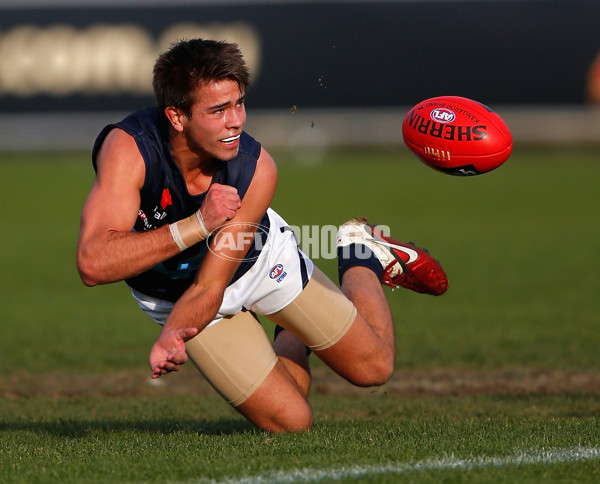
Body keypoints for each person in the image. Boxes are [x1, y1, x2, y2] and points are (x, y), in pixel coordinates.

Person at [76, 38, 448, 433]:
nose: (235, 121)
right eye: (217, 110)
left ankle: (362, 253)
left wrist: (173, 330)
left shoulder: (256, 167)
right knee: (292, 420)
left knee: (374, 369)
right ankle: (292, 329)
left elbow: (210, 283)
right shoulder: (129, 149)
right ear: (177, 116)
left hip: (255, 263)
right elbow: (93, 264)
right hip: (173, 296)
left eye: (238, 104)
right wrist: (197, 230)